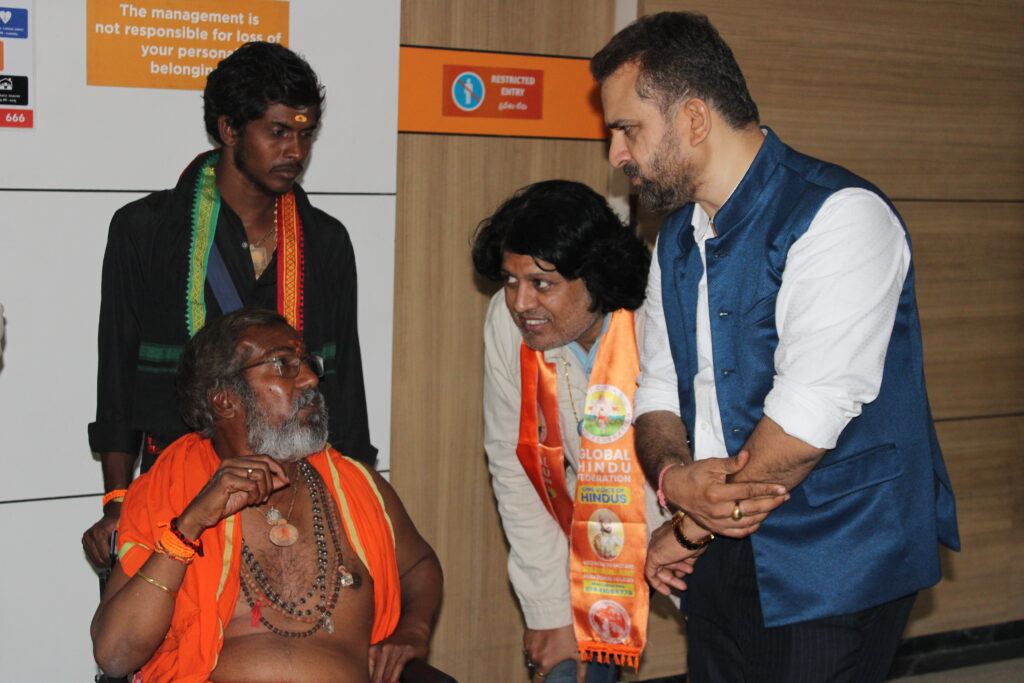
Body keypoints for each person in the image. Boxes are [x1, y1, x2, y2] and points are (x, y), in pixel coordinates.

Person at [591, 12, 961, 681]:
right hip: (718, 535)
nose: (616, 154)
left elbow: (801, 428)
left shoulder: (839, 215)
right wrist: (676, 481)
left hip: (837, 552)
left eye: (627, 129)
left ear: (695, 120)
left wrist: (690, 525)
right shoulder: (673, 240)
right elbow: (654, 392)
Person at [84, 41, 376, 569]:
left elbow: (345, 387)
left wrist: (363, 500)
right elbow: (118, 379)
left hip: (297, 493)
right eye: (278, 131)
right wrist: (117, 501)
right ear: (228, 130)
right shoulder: (144, 230)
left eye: (305, 133)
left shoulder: (326, 241)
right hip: (179, 494)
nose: (295, 151)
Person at [473, 181, 744, 683]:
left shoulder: (663, 319)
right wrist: (547, 609)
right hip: (597, 544)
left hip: (705, 528)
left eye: (542, 283)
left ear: (596, 278)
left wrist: (686, 536)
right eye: (510, 281)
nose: (520, 303)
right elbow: (514, 468)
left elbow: (726, 454)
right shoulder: (507, 326)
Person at [91, 308, 441, 683]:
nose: (309, 379)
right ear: (225, 400)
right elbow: (115, 655)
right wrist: (191, 525)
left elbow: (419, 566)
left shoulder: (358, 487)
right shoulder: (170, 494)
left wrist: (414, 631)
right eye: (283, 365)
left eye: (306, 363)